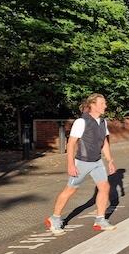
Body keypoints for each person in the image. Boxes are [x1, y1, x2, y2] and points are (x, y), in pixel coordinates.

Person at [45, 93, 117, 233]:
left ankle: (100, 220)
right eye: (102, 104)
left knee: (104, 187)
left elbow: (104, 143)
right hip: (82, 162)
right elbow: (71, 144)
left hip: (97, 162)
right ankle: (54, 218)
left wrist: (110, 160)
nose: (105, 106)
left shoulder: (103, 122)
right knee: (70, 190)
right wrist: (71, 165)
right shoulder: (81, 122)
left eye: (105, 103)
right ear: (93, 105)